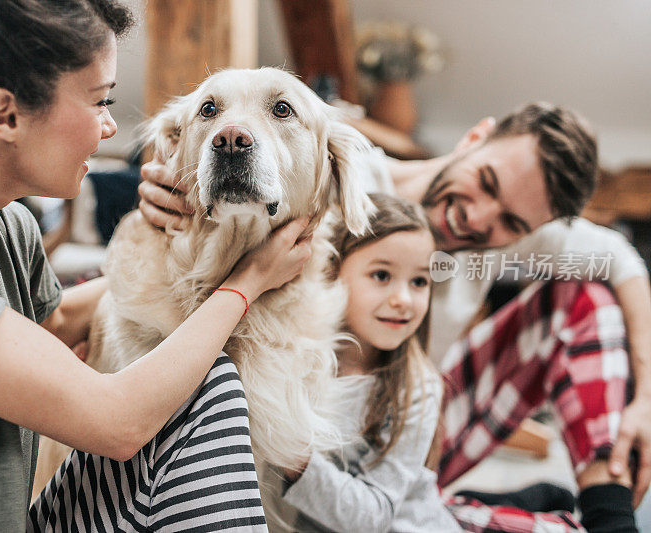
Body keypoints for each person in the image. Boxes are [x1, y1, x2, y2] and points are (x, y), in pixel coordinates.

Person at [0, 1, 312, 530]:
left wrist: (165, 242)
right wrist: (245, 283)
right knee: (206, 385)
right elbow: (118, 421)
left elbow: (49, 327)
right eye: (100, 101)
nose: (112, 126)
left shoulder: (7, 231)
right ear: (5, 116)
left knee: (206, 386)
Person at [139, 102, 649, 531]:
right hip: (312, 431)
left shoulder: (517, 233)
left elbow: (621, 261)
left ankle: (611, 516)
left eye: (512, 222)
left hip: (411, 425)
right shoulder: (336, 178)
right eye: (486, 183)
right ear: (474, 138)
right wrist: (173, 189)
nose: (477, 218)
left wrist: (645, 400)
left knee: (587, 301)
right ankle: (497, 506)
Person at [269, 193, 585, 532]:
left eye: (419, 281)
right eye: (381, 275)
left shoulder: (416, 388)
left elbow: (373, 518)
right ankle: (512, 500)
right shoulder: (300, 363)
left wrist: (296, 460)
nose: (403, 300)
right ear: (331, 272)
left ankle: (518, 502)